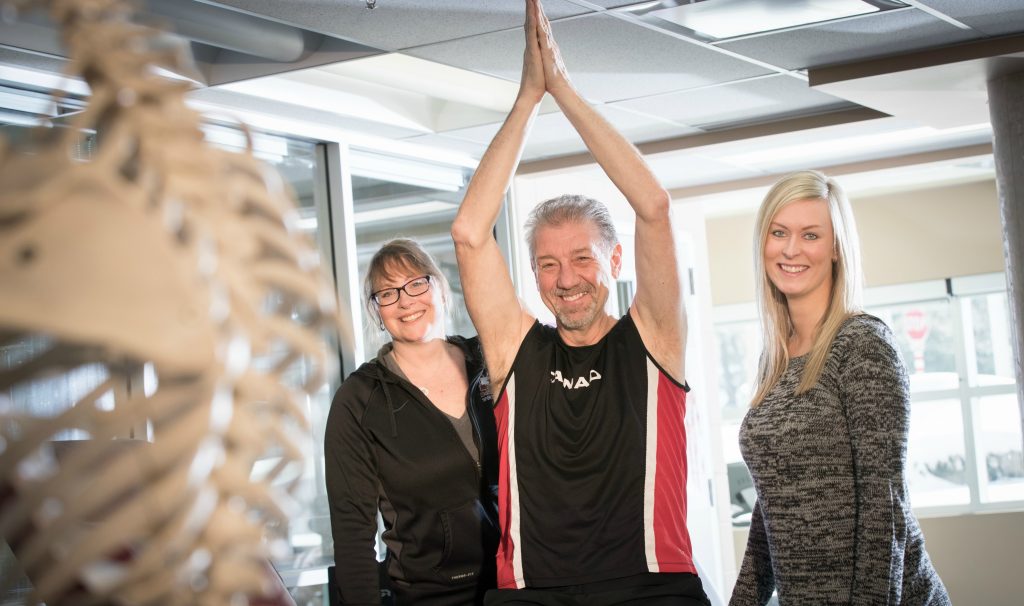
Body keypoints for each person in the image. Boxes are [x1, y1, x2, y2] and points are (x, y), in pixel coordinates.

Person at [450, 1, 709, 604]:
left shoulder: (654, 338)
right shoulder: (519, 350)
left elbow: (654, 207)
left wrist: (561, 88)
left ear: (614, 262)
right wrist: (526, 100)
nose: (566, 279)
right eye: (547, 263)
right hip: (533, 591)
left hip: (652, 587)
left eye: (583, 259)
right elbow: (469, 232)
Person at [729, 171, 950, 605]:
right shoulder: (774, 358)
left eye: (810, 235)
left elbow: (884, 509)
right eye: (779, 233)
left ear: (835, 248)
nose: (791, 249)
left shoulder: (863, 344)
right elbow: (770, 506)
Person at [325, 238, 499, 605]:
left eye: (416, 283)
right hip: (432, 595)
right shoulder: (359, 399)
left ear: (438, 286)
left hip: (520, 581)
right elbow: (353, 532)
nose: (405, 300)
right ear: (376, 312)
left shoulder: (489, 362)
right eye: (386, 294)